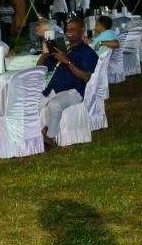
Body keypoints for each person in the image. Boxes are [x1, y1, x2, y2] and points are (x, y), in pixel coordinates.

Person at [37, 17, 97, 147]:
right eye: (68, 29)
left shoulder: (87, 52)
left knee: (54, 104)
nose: (69, 32)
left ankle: (49, 138)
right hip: (52, 88)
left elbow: (85, 77)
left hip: (73, 91)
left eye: (73, 29)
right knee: (29, 102)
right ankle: (34, 135)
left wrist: (67, 61)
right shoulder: (63, 49)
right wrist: (45, 53)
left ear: (82, 31)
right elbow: (40, 68)